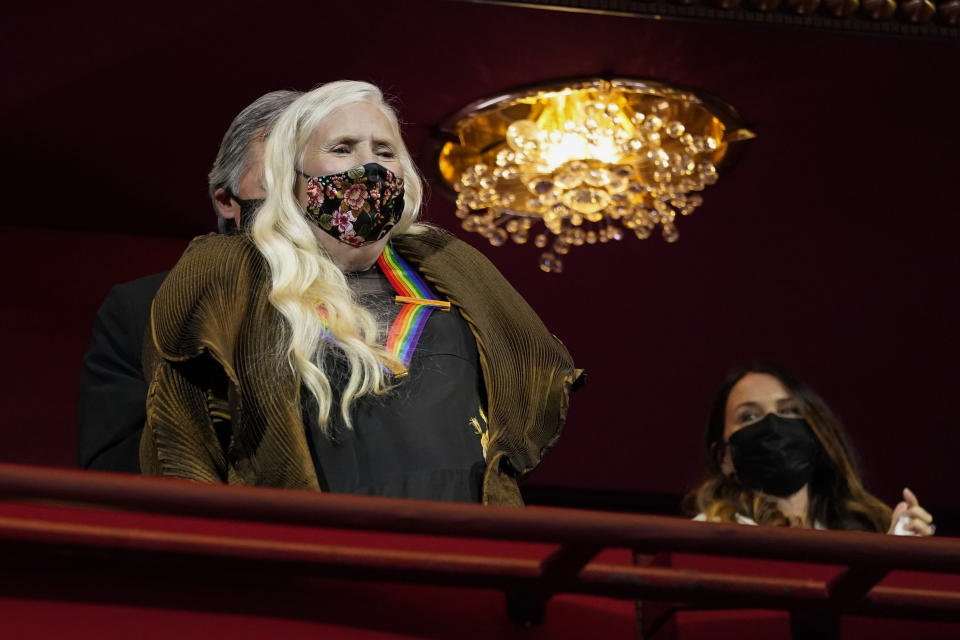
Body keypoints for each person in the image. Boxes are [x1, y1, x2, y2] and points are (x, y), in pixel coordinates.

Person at [140, 80, 583, 505]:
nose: (369, 165)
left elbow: (519, 394)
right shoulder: (233, 271)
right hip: (318, 551)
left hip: (464, 541)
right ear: (289, 174)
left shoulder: (449, 266)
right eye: (343, 148)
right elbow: (184, 434)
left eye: (384, 150)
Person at [77, 90, 301, 472]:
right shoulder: (142, 309)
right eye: (280, 176)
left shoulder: (394, 305)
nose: (306, 196)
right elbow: (113, 468)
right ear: (227, 201)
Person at [685, 362, 934, 535]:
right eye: (749, 416)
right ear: (724, 456)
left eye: (789, 410)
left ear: (815, 431)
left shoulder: (865, 536)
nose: (774, 424)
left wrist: (898, 557)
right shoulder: (708, 533)